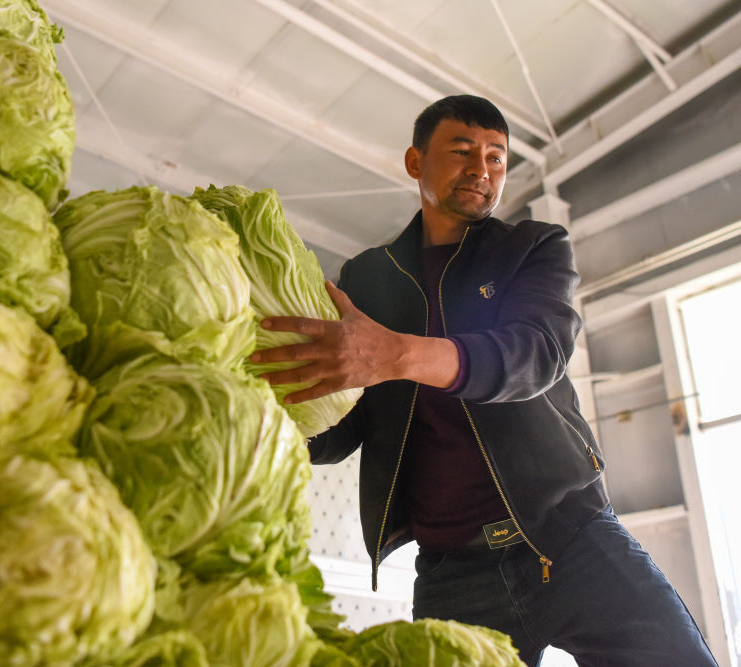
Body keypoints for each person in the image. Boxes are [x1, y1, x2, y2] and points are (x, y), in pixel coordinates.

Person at [249, 95, 718, 666]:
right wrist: (265, 416)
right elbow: (348, 419)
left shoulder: (533, 248)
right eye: (462, 151)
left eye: (496, 157)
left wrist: (397, 354)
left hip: (569, 537)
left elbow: (534, 355)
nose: (482, 169)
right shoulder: (368, 277)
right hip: (452, 573)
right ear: (415, 161)